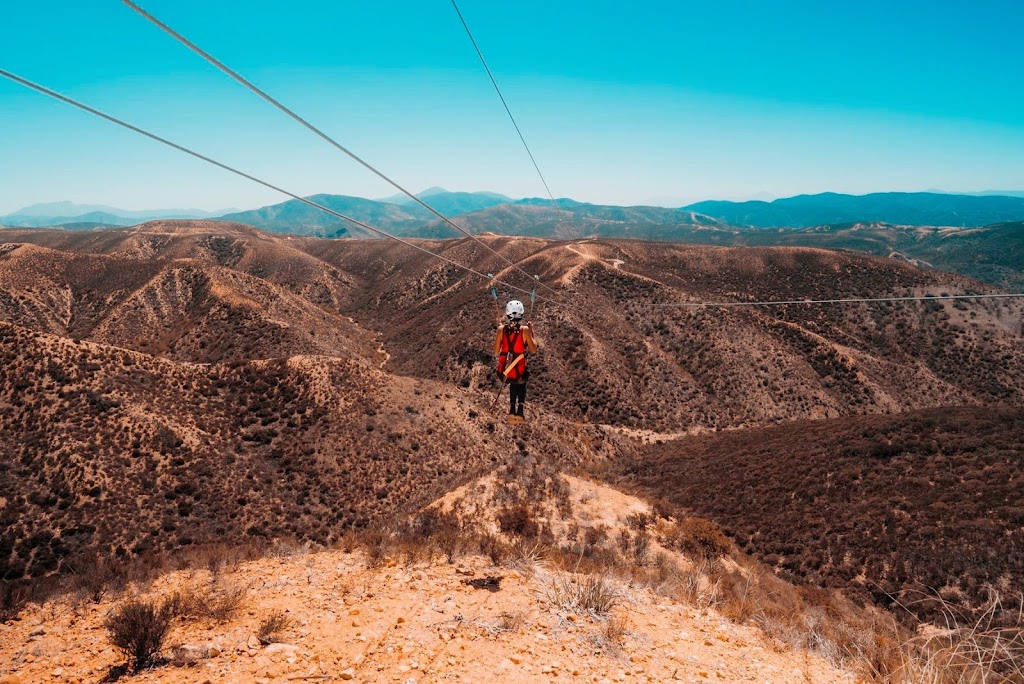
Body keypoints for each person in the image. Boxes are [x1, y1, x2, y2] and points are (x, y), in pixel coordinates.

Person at [493, 300, 538, 423]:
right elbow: (533, 349)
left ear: (507, 314)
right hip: (520, 369)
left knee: (513, 381)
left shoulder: (501, 330)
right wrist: (531, 332)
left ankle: (512, 409)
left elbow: (496, 350)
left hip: (505, 370)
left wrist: (500, 332)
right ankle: (520, 411)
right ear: (521, 314)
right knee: (521, 382)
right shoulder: (525, 330)